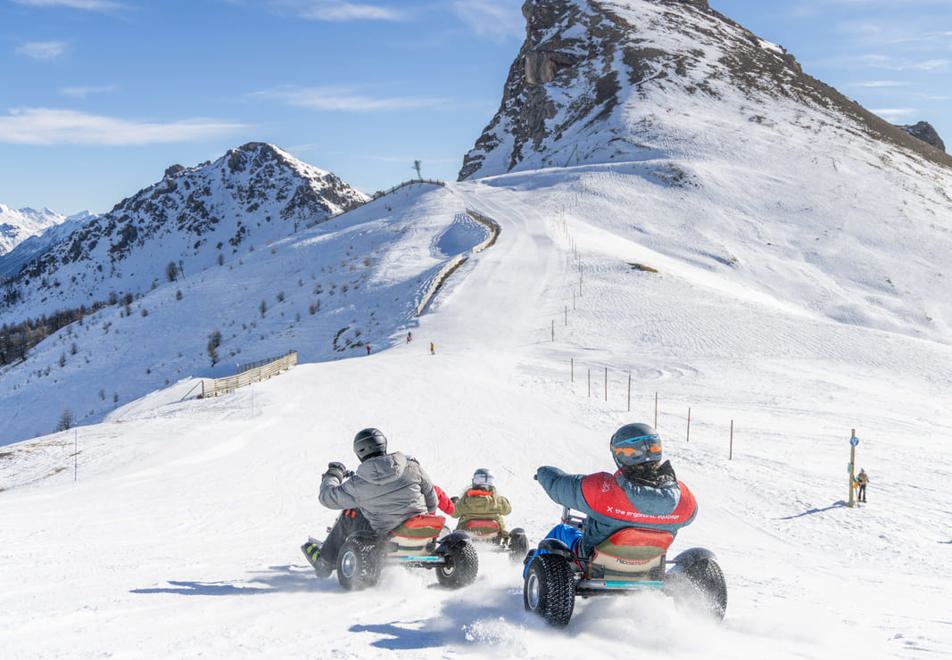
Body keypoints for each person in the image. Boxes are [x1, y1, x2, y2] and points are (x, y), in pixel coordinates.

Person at [530, 422, 697, 562]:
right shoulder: (683, 497)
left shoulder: (604, 489)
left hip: (594, 563)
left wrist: (544, 473)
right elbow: (690, 516)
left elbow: (559, 487)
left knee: (562, 531)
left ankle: (531, 573)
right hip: (649, 563)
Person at [301, 428, 438, 578]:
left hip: (383, 539)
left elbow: (327, 497)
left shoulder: (357, 484)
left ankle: (324, 562)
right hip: (420, 533)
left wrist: (333, 474)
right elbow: (432, 500)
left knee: (351, 512)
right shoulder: (412, 467)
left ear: (359, 453)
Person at [451, 468, 512, 535]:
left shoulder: (465, 501)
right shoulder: (499, 501)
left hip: (467, 537)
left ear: (474, 482)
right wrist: (506, 501)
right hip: (495, 536)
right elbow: (507, 511)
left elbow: (454, 514)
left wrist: (454, 503)